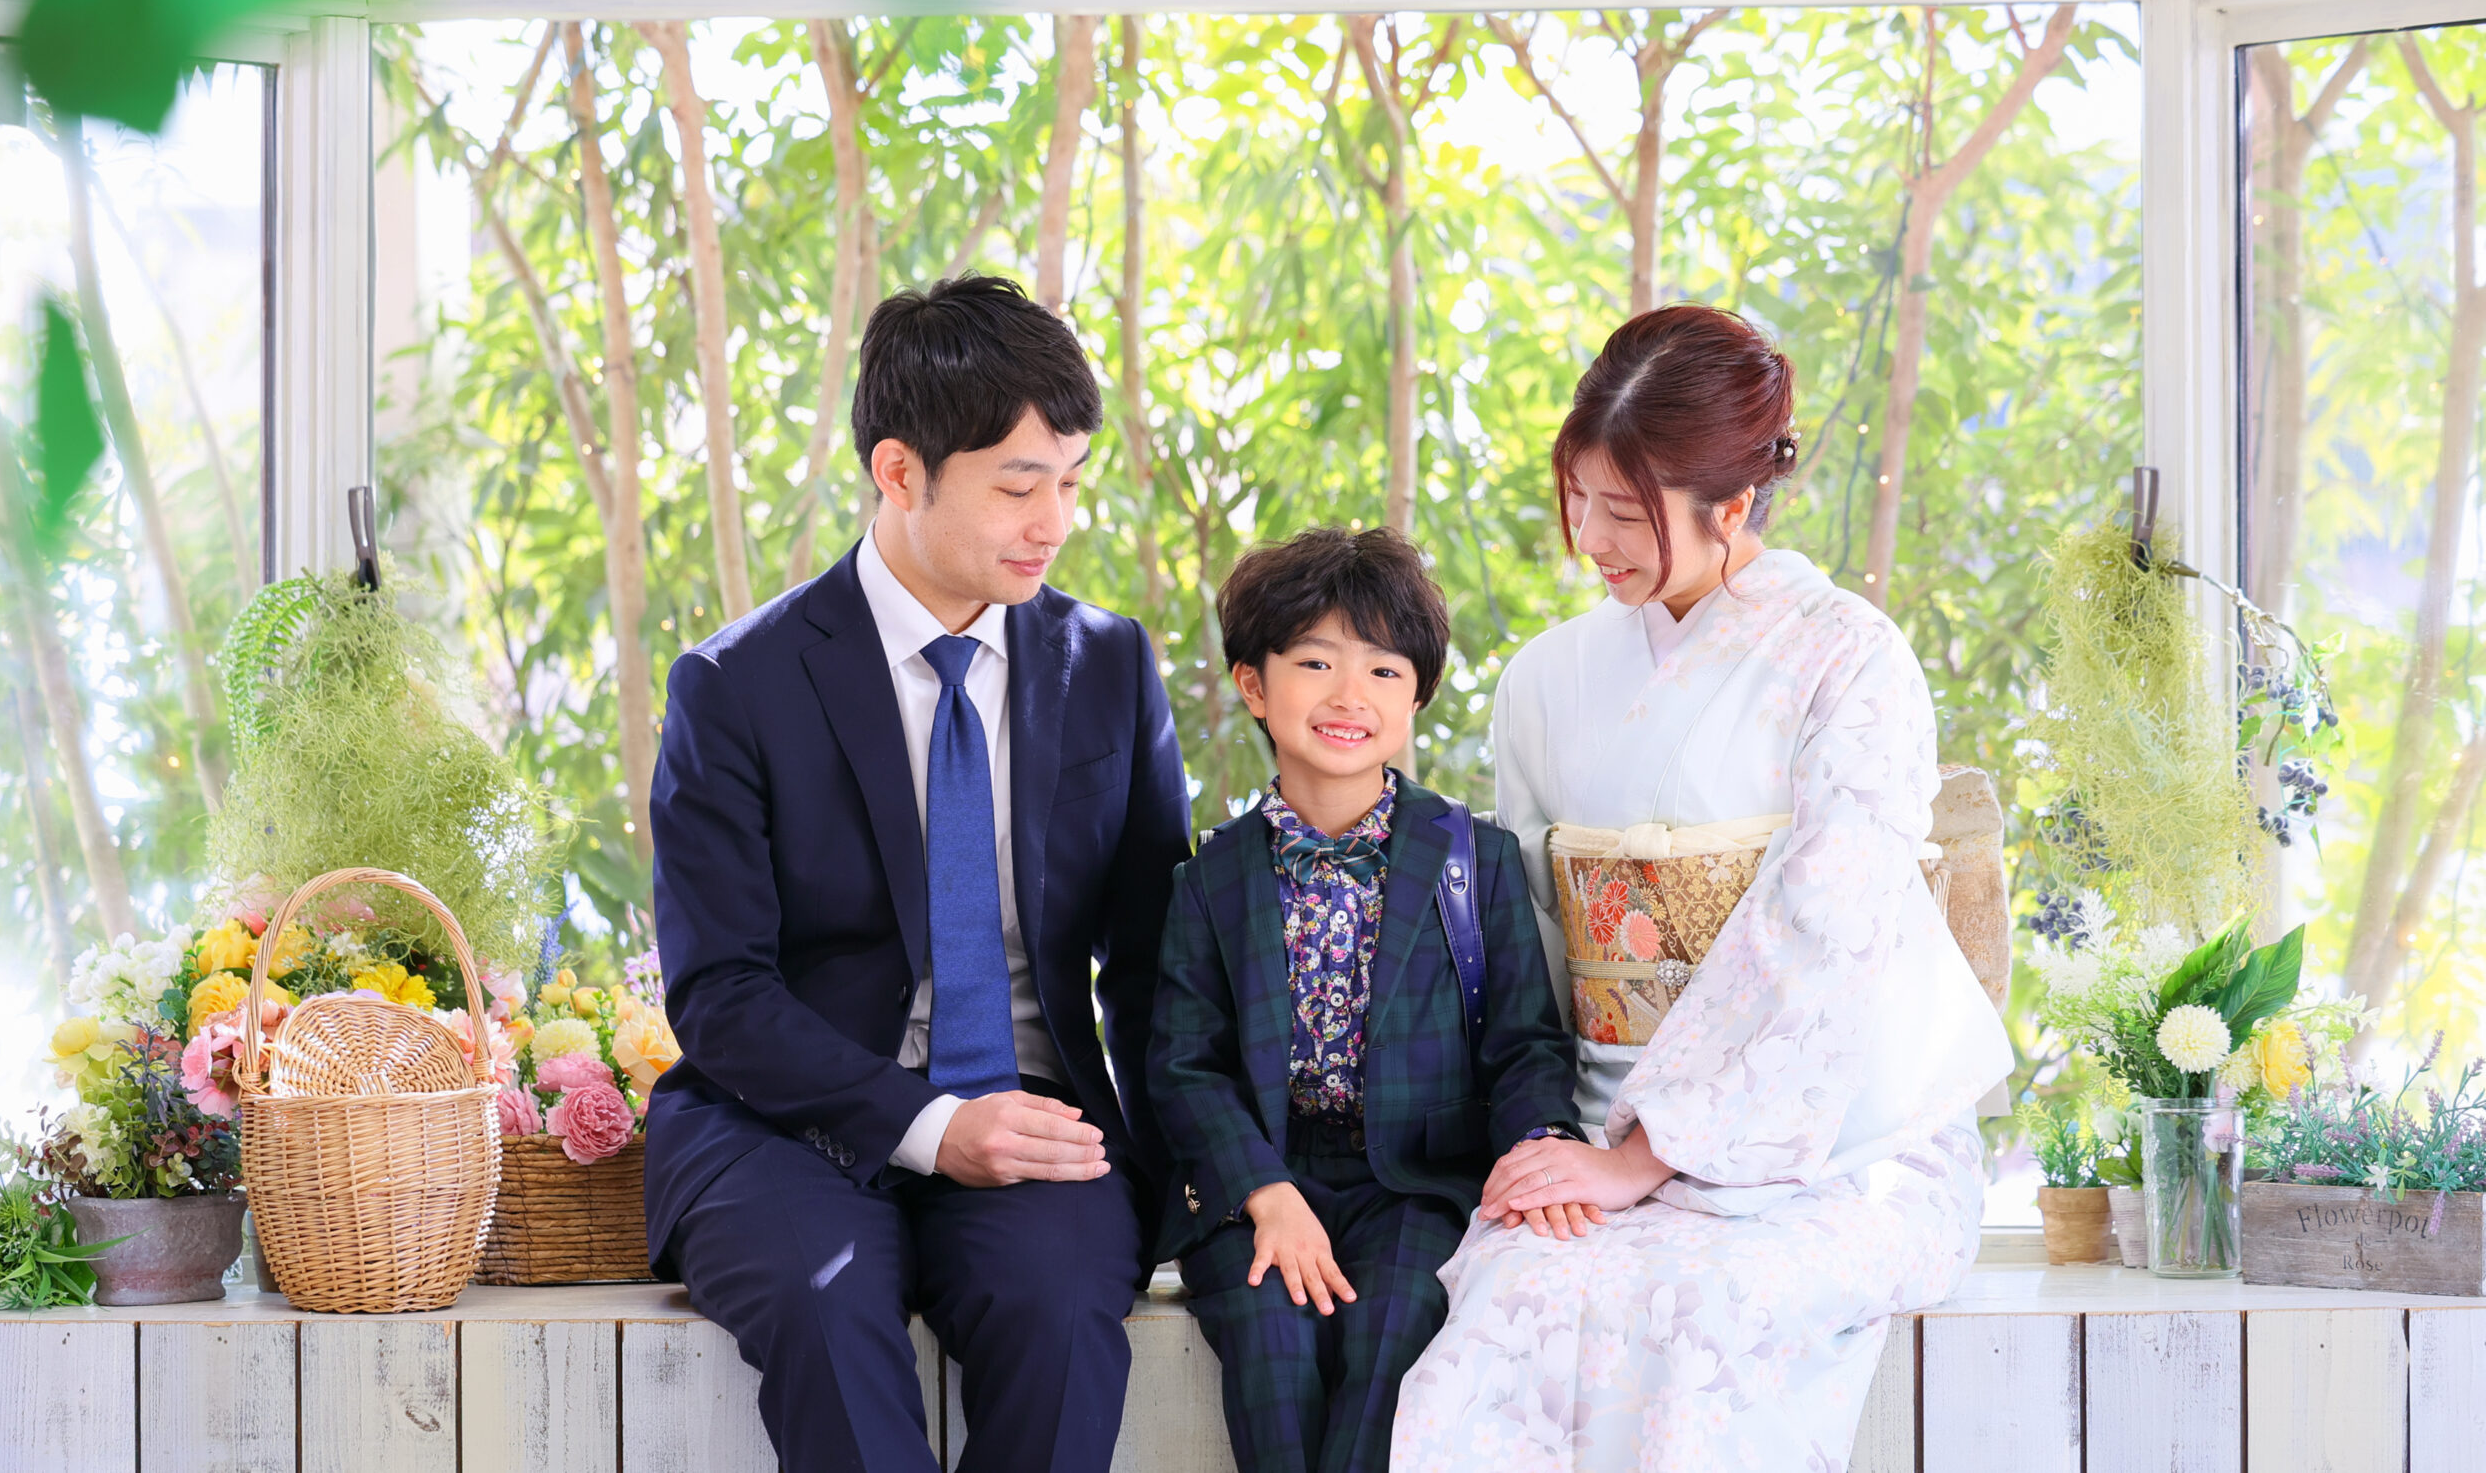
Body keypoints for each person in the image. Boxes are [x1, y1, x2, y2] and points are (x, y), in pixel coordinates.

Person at [1392, 306, 2013, 1472]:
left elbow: (1827, 934)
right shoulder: (1544, 681)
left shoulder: (1849, 658)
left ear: (1732, 507)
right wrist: (1560, 1141)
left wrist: (1653, 1155)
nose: (1590, 538)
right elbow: (1529, 951)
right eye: (1578, 499)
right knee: (1509, 1304)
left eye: (1625, 513)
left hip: (1839, 1139)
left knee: (1701, 1312)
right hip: (1599, 1119)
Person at [643, 273, 1192, 1473]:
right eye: (1018, 487)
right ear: (899, 472)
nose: (1054, 522)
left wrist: (1184, 1171)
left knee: (1061, 1315)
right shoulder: (735, 687)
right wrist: (931, 1128)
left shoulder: (1107, 664)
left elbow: (1157, 963)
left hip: (1034, 1110)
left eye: (1071, 482)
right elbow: (720, 993)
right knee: (822, 1305)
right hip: (780, 1125)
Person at [1150, 528, 1580, 1473]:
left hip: (1419, 1184)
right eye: (1316, 663)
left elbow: (1523, 1042)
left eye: (1385, 670)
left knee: (1393, 1337)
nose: (1351, 695)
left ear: (1415, 697)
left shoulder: (1474, 859)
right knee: (1270, 1350)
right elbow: (1184, 1065)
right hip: (1261, 1182)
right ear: (1254, 684)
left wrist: (1540, 1146)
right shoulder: (1210, 878)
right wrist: (1265, 1191)